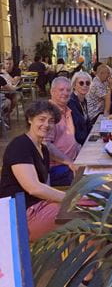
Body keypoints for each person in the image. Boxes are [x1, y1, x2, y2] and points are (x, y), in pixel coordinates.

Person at [0, 101, 64, 242]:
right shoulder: (20, 145)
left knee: (88, 208)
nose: (46, 125)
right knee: (84, 218)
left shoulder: (44, 149)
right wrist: (69, 198)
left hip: (37, 207)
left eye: (51, 121)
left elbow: (44, 188)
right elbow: (34, 188)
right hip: (20, 216)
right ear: (30, 119)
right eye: (41, 119)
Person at [45, 77, 81, 186]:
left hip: (70, 162)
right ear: (52, 91)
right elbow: (46, 146)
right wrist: (69, 162)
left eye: (68, 90)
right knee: (92, 181)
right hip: (56, 169)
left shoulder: (67, 110)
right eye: (61, 90)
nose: (65, 93)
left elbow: (69, 138)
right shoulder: (49, 113)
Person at [68, 72, 92, 145]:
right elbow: (77, 128)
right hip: (77, 144)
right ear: (74, 85)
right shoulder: (71, 102)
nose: (85, 85)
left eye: (87, 83)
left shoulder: (83, 100)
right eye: (81, 83)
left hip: (85, 140)